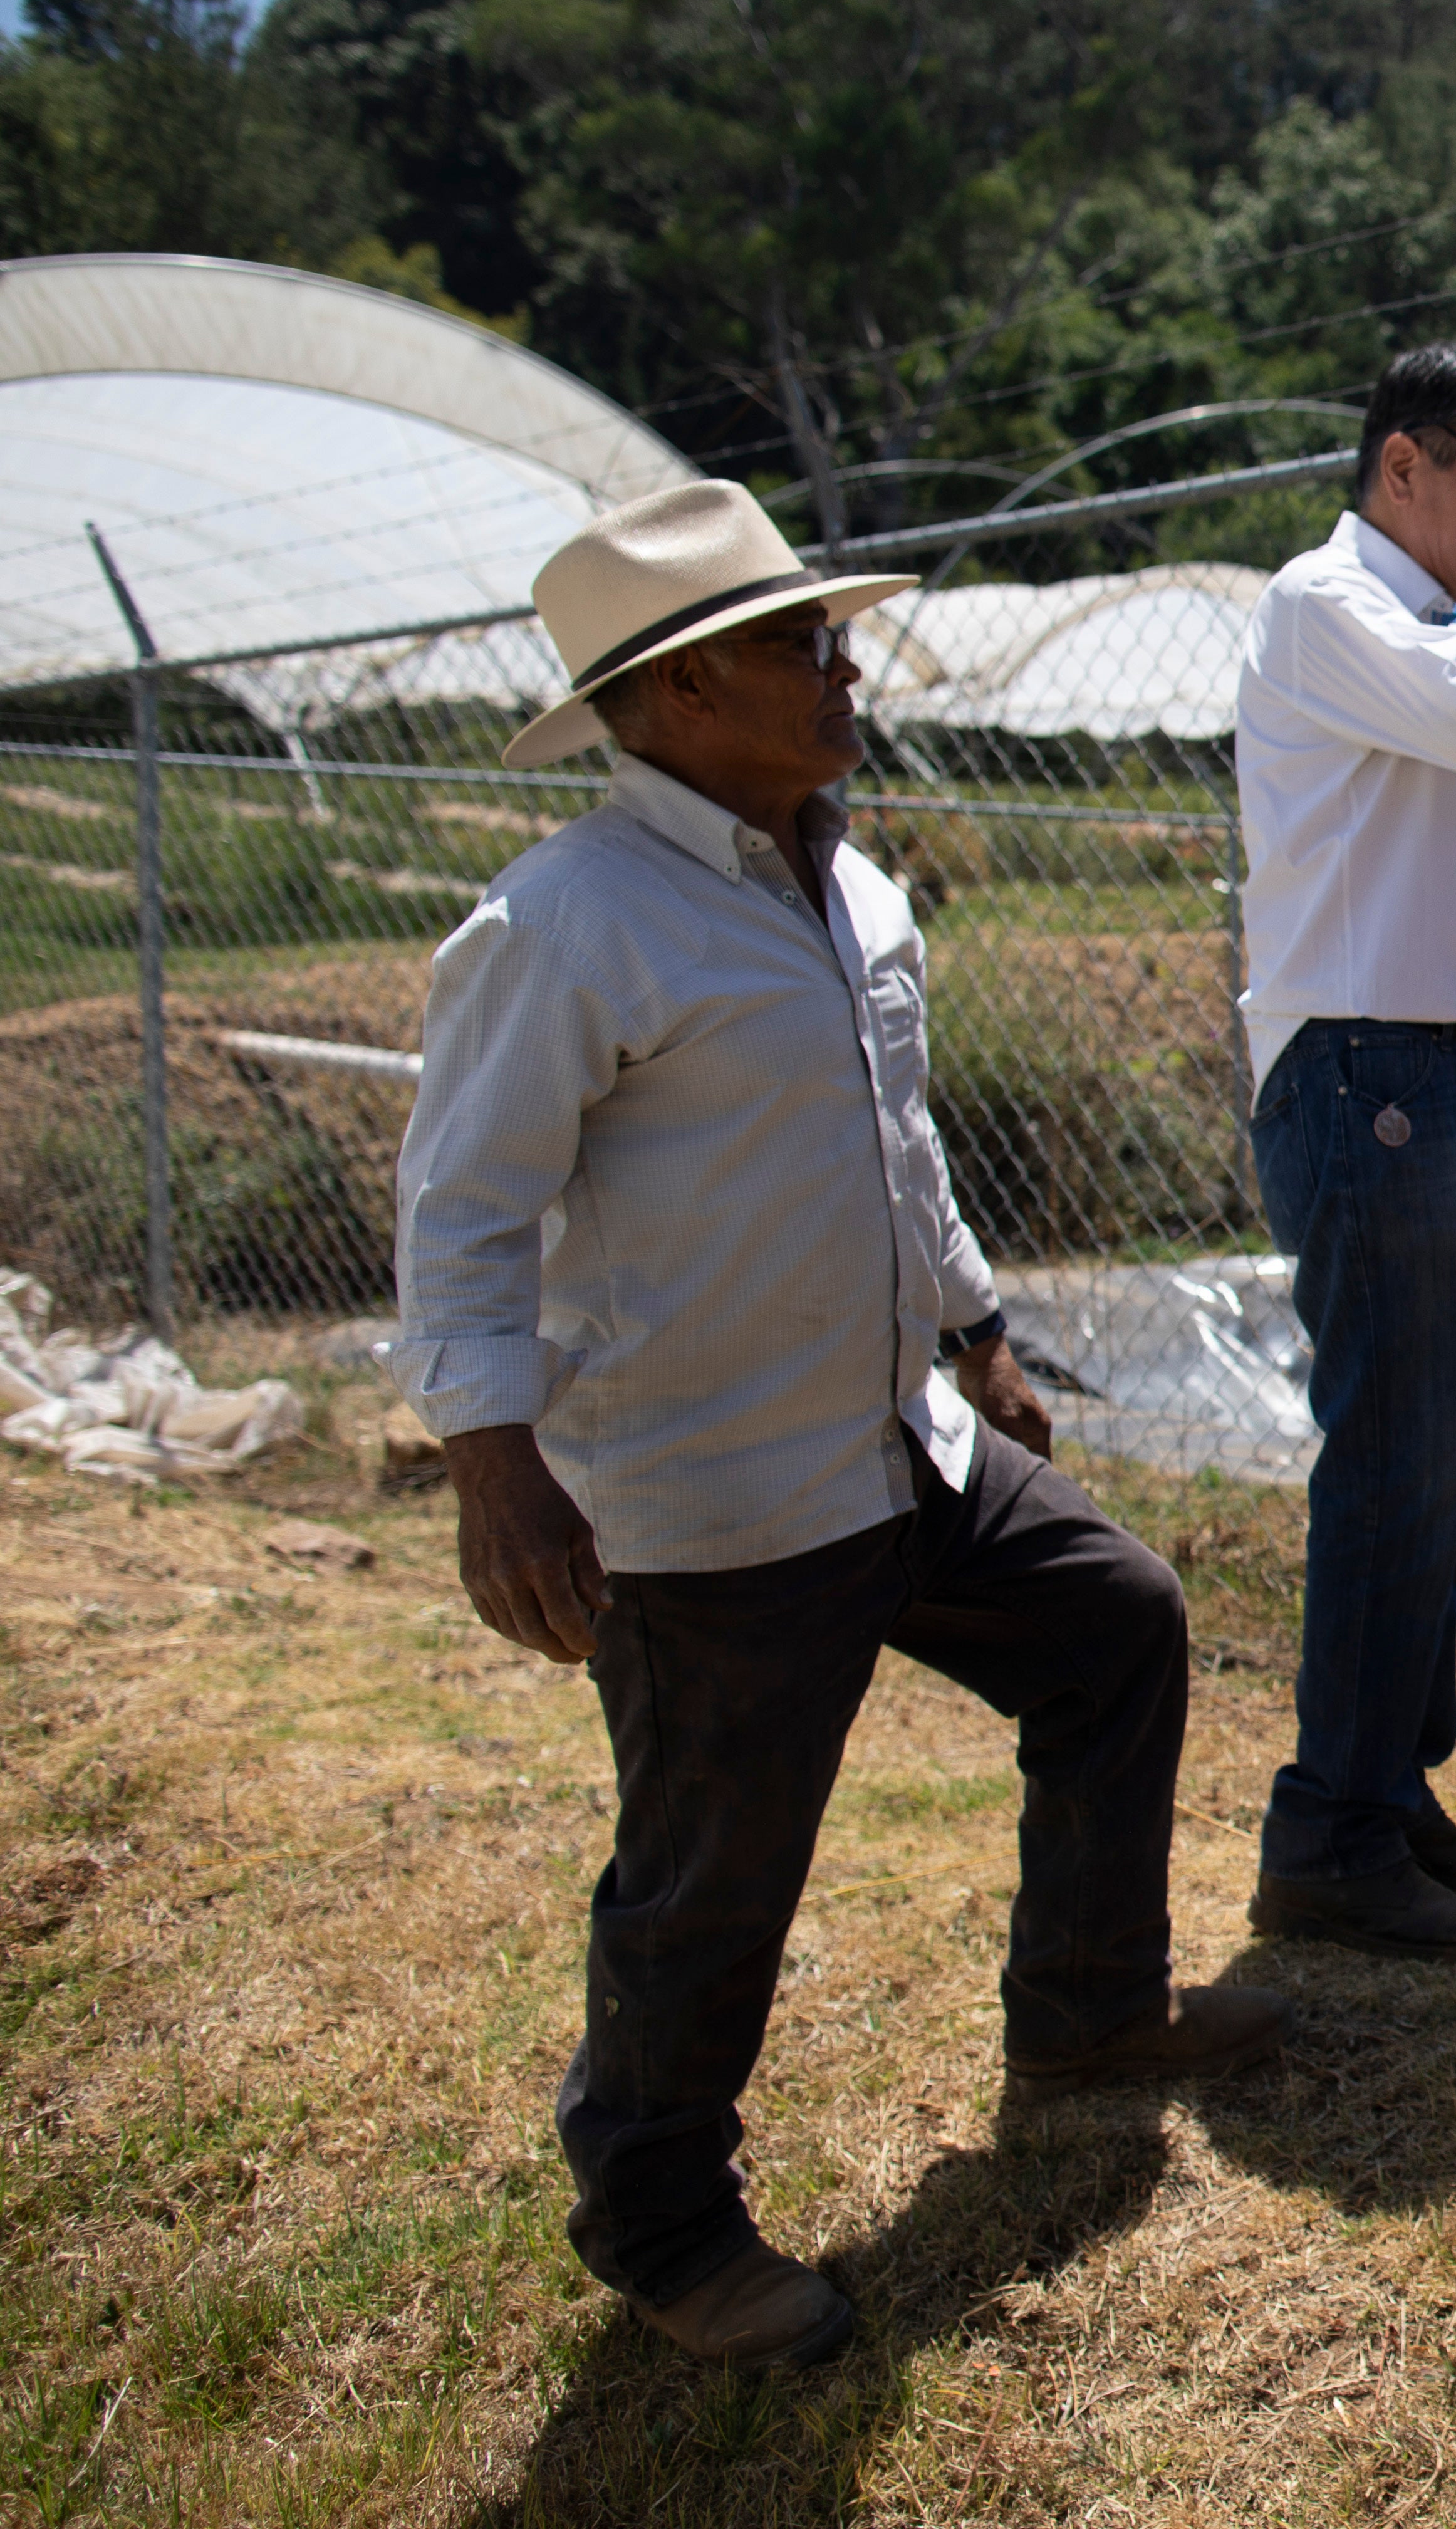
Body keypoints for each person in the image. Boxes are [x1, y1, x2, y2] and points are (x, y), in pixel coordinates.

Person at [392, 481, 1284, 2372]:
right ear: (682, 692)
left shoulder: (851, 880)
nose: (842, 665)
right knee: (715, 1873)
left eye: (828, 633)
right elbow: (463, 1209)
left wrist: (977, 1333)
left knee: (1115, 1623)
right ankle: (661, 2224)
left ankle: (1088, 2007)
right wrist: (495, 1465)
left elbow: (897, 1140)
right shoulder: (564, 927)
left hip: (898, 1446)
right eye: (801, 644)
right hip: (711, 1498)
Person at [1232, 341, 1456, 1959]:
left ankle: (1386, 1788)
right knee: (1389, 1447)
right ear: (1401, 466)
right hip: (1365, 1065)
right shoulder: (1328, 603)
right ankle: (1331, 1833)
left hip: (1433, 1067)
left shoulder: (1441, 623)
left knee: (1438, 1447)